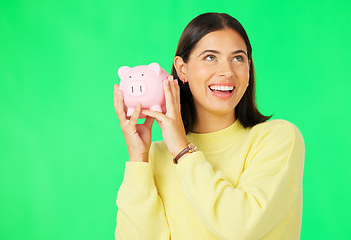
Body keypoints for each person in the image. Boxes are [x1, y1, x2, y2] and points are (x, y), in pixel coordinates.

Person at [113, 12, 305, 240]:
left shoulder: (277, 138)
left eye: (238, 58)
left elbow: (242, 227)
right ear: (182, 69)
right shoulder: (155, 155)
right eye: (210, 57)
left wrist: (183, 151)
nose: (227, 71)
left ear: (249, 69)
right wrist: (138, 157)